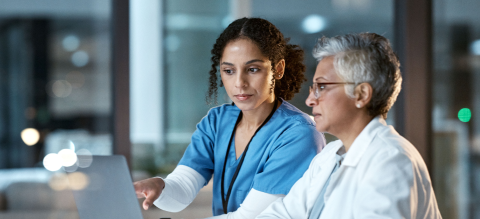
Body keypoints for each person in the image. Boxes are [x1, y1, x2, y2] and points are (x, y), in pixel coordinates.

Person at [133, 17, 325, 218]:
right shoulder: (217, 121)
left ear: (278, 69)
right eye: (229, 71)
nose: (239, 83)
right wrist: (159, 186)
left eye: (252, 69)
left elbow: (251, 217)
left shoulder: (299, 134)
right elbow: (182, 188)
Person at [257, 33, 442, 219]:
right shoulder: (330, 156)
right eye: (313, 88)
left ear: (361, 94)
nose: (310, 100)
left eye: (321, 87)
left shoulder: (390, 160)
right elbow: (283, 214)